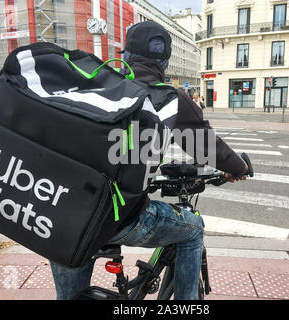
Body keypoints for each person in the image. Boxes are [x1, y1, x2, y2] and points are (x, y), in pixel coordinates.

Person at [50, 20, 248, 300]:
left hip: (63, 211)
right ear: (164, 61)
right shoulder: (167, 98)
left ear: (125, 54)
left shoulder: (94, 86)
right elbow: (207, 147)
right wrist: (238, 168)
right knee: (193, 229)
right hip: (118, 217)